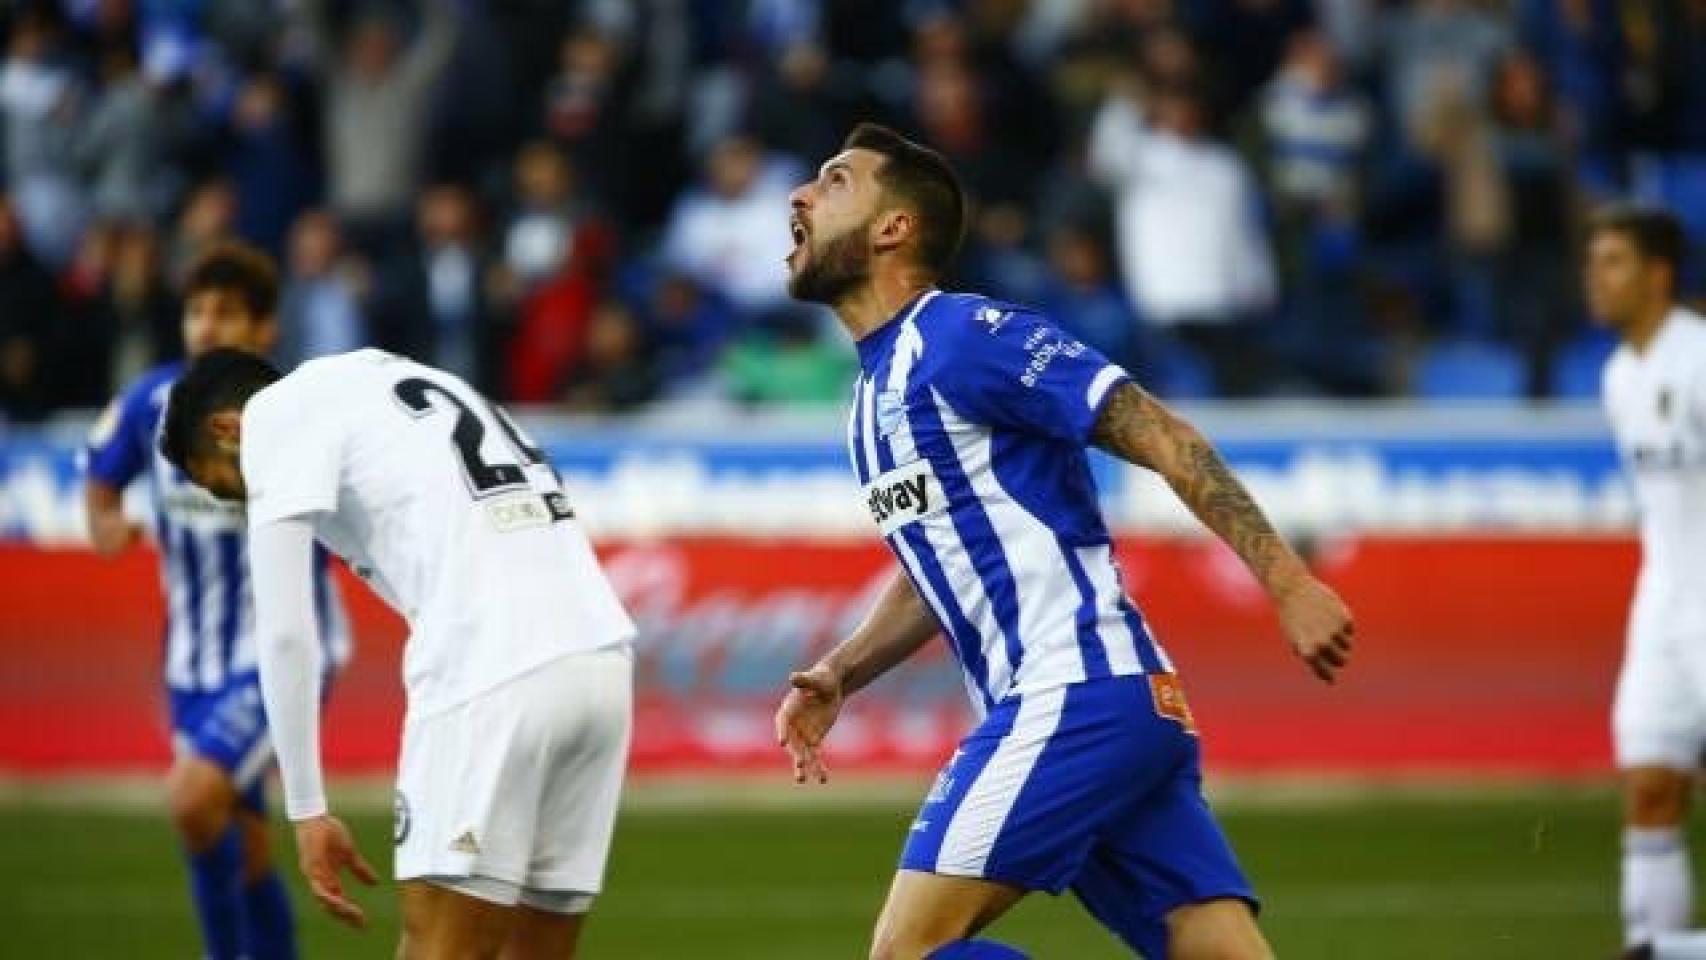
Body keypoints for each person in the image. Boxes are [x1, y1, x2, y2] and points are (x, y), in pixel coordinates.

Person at [773, 124, 1354, 960]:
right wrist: (842, 671)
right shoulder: (872, 397)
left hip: (1072, 694)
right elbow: (944, 563)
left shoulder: (964, 336)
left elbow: (1157, 431)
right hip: (1124, 703)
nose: (800, 194)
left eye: (832, 182)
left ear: (894, 228)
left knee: (909, 953)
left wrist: (1287, 579)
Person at [158, 347, 635, 958]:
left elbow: (283, 631)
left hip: (489, 668)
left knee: (436, 945)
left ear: (227, 429)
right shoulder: (398, 376)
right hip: (600, 661)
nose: (239, 501)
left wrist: (307, 809)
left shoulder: (273, 415)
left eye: (222, 485)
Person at [82, 242, 351, 960]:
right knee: (245, 842)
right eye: (196, 311)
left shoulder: (294, 411)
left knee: (191, 799)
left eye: (226, 312)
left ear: (265, 328)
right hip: (192, 664)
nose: (205, 326)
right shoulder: (149, 404)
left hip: (284, 646)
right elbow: (99, 480)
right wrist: (107, 525)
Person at [1587, 206, 1706, 960]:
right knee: (1651, 784)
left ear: (1658, 275)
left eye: (1614, 262)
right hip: (1664, 601)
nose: (1595, 279)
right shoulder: (1620, 375)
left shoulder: (1699, 360)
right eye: (1592, 261)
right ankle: (1654, 945)